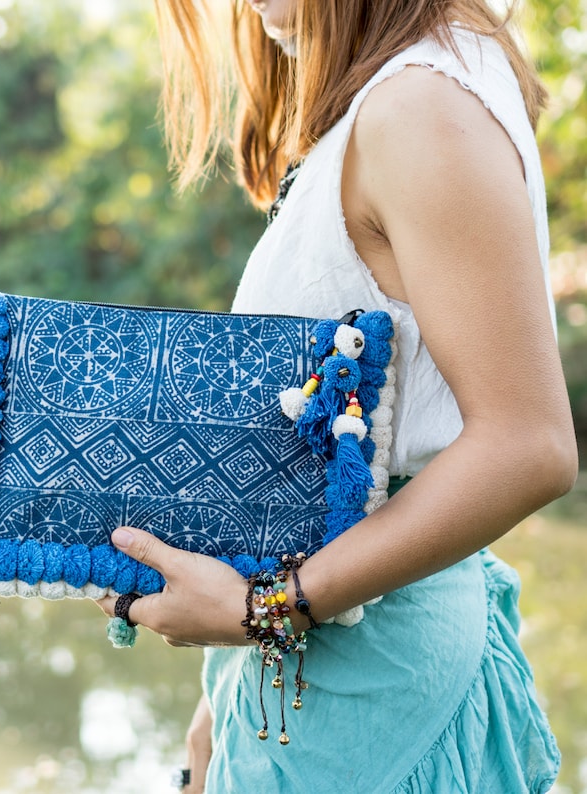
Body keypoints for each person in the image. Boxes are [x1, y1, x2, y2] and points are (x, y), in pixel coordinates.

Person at [98, 0, 579, 791]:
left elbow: (528, 446)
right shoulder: (391, 98)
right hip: (306, 679)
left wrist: (263, 610)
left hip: (367, 698)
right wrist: (225, 690)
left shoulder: (419, 106)